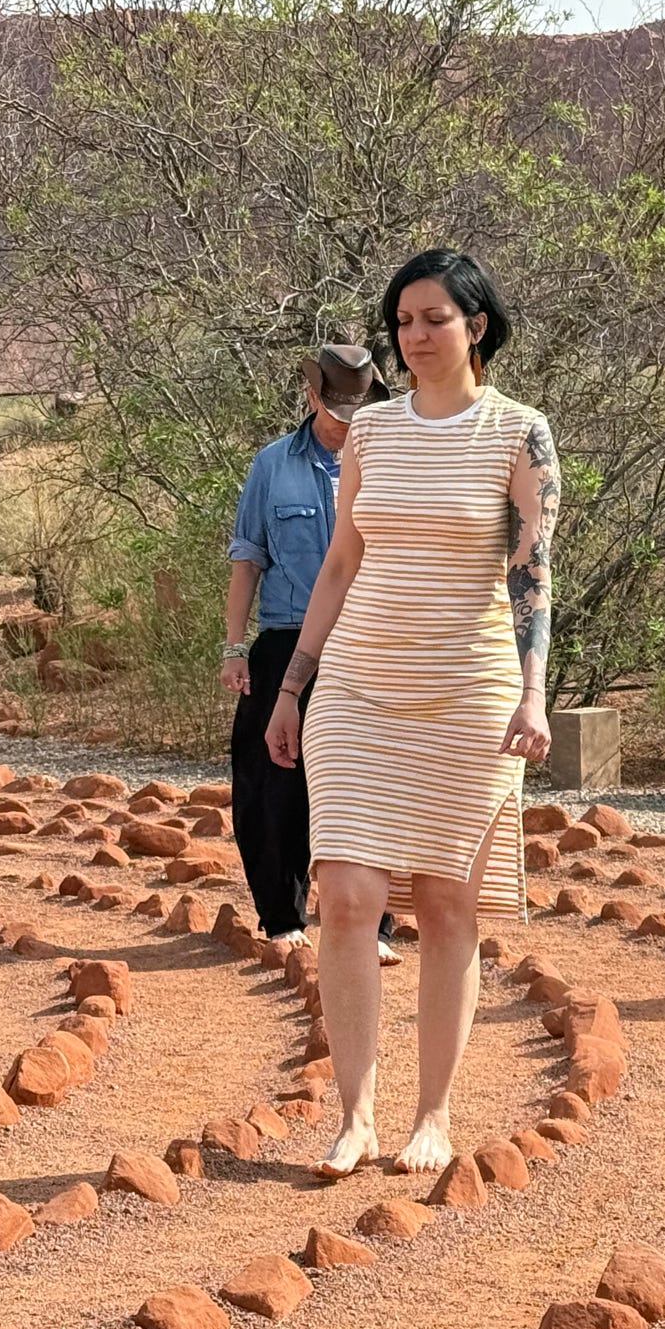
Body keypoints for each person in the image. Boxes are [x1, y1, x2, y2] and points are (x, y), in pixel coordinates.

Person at [265, 247, 558, 1179]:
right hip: (356, 685)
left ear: (476, 326)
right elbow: (342, 565)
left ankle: (432, 1117)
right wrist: (291, 684)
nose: (416, 335)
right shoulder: (372, 435)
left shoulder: (522, 432)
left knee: (443, 904)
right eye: (403, 320)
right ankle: (354, 1115)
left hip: (468, 692)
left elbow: (533, 574)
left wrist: (534, 688)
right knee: (345, 898)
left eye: (434, 317)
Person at [224, 344, 400, 962]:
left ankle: (373, 925)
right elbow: (247, 559)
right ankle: (281, 917)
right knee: (272, 779)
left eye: (359, 403)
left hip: (369, 639)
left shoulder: (390, 457)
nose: (348, 417)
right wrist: (234, 646)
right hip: (284, 636)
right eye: (337, 403)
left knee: (370, 781)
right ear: (312, 395)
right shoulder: (271, 465)